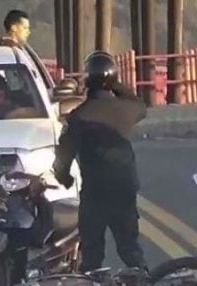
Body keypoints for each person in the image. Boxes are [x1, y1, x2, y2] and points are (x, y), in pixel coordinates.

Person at [53, 51, 147, 273]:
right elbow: (139, 104)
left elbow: (64, 156)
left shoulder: (79, 116)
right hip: (125, 188)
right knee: (129, 246)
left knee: (92, 251)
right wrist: (115, 84)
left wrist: (63, 178)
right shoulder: (127, 109)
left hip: (95, 191)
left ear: (87, 80)